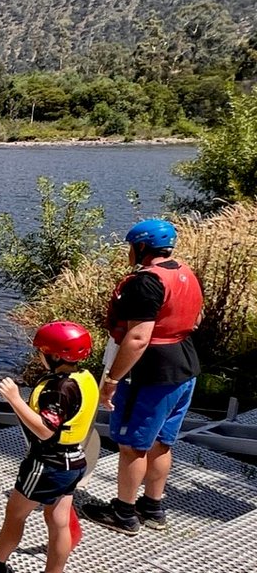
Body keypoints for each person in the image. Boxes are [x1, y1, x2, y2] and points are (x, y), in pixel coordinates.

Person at [0, 321, 99, 573]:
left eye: (41, 352)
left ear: (56, 355)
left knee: (15, 514)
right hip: (74, 461)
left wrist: (14, 399)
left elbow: (46, 429)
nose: (38, 356)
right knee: (58, 520)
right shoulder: (86, 377)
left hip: (47, 463)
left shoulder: (59, 389)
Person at [83, 219, 203, 535]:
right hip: (185, 365)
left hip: (152, 374)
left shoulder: (146, 282)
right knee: (161, 442)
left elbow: (138, 337)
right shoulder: (185, 272)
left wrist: (111, 380)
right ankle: (153, 506)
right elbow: (195, 316)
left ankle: (123, 513)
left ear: (140, 247)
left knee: (132, 446)